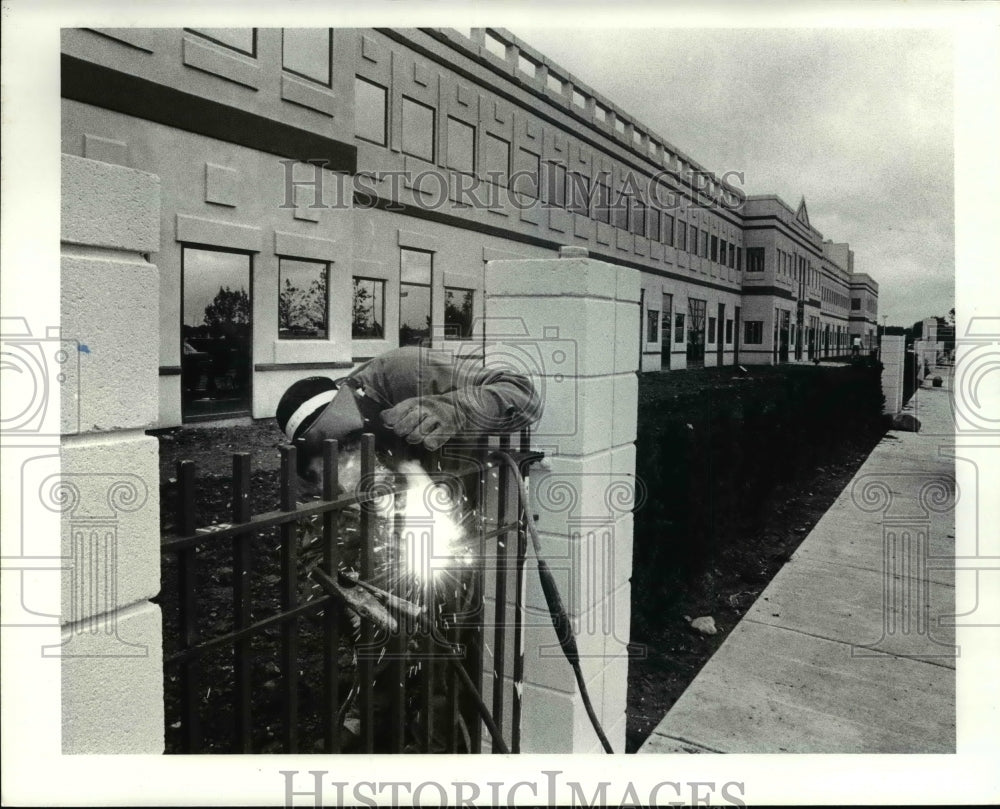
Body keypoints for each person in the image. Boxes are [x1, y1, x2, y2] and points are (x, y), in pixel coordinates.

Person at [275, 345, 542, 491]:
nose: (347, 455)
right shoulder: (320, 464)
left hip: (463, 487)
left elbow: (522, 393)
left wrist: (454, 409)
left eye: (346, 442)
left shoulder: (404, 370)